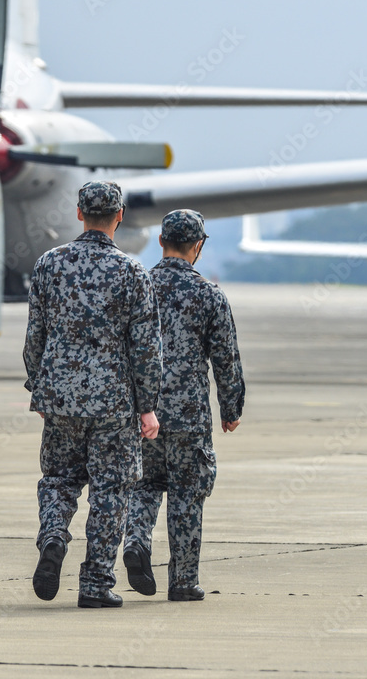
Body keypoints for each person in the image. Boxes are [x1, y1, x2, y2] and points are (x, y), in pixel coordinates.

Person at [23, 181, 162, 608]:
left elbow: (35, 338)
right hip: (113, 403)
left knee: (59, 481)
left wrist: (40, 387)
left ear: (79, 213)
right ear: (119, 217)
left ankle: (52, 537)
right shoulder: (131, 270)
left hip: (60, 397)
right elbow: (146, 347)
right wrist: (148, 405)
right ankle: (96, 585)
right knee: (110, 491)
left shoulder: (48, 264)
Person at [123, 209, 245, 602]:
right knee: (186, 494)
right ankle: (183, 581)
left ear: (160, 242)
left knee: (142, 485)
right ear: (198, 246)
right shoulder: (209, 294)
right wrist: (231, 407)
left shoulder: (137, 287)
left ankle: (136, 541)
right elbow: (226, 358)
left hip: (141, 411)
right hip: (189, 415)